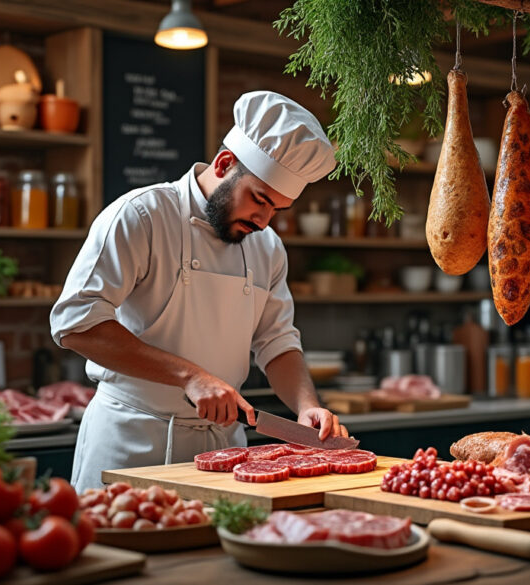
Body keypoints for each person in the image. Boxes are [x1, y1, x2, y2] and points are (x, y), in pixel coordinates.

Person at [50, 91, 348, 491]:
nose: (264, 220)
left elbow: (276, 341)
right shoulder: (142, 216)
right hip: (130, 445)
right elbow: (75, 324)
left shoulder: (268, 247)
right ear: (224, 164)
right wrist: (190, 377)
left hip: (224, 453)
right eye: (259, 200)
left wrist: (306, 405)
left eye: (277, 209)